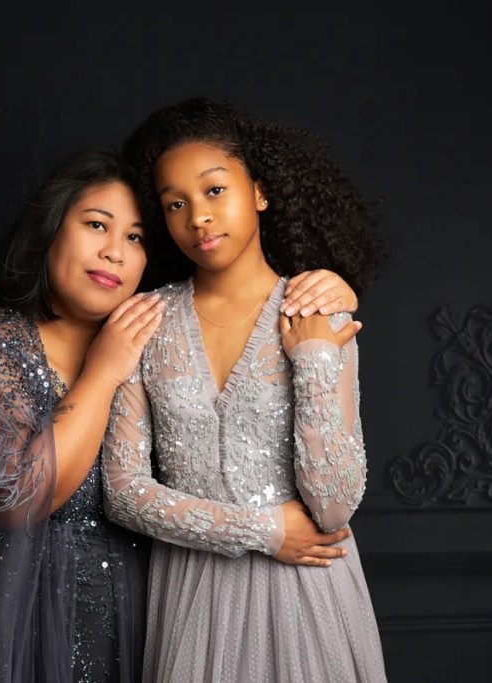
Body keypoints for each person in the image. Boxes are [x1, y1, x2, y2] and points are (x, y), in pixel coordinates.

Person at [0, 144, 362, 682]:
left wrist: (328, 290)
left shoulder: (152, 333)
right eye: (96, 225)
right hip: (19, 620)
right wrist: (103, 371)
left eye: (134, 238)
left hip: (144, 610)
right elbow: (21, 501)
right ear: (51, 229)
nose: (115, 252)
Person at [102, 97, 388, 682]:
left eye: (214, 191)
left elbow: (334, 505)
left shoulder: (319, 311)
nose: (197, 218)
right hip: (192, 594)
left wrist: (311, 356)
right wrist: (264, 531)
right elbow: (123, 493)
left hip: (308, 594)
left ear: (258, 191)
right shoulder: (146, 322)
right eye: (175, 204)